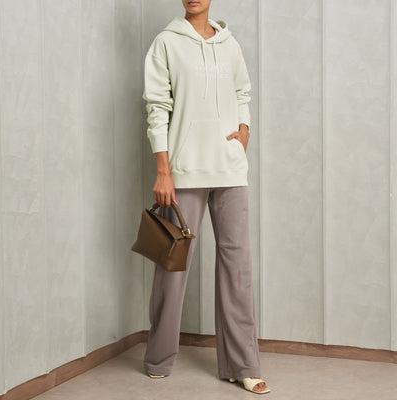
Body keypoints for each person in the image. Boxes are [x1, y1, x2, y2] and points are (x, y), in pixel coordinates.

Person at [141, 0, 270, 395]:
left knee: (237, 266)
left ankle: (242, 364)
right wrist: (163, 170)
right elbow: (157, 106)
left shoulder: (230, 44)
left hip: (229, 169)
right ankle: (158, 357)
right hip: (184, 169)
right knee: (173, 264)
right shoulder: (166, 42)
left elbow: (243, 91)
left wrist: (244, 129)